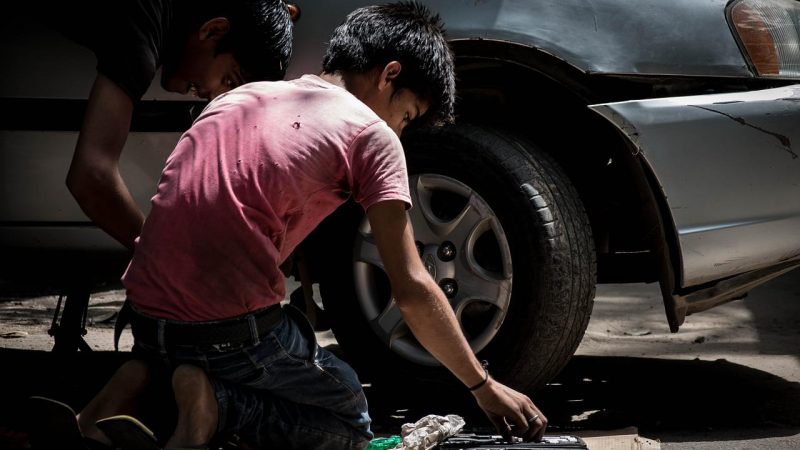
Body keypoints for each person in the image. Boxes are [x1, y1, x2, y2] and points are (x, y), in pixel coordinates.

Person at [72, 2, 548, 449]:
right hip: (223, 331)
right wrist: (483, 386)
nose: (400, 129)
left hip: (146, 317)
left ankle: (139, 379)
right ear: (389, 75)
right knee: (347, 417)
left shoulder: (243, 96)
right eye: (407, 115)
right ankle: (217, 408)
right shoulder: (372, 136)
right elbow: (412, 289)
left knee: (236, 343)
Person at [34, 0, 293, 250]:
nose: (214, 98)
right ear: (214, 30)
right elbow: (92, 177)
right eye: (228, 81)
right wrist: (168, 258)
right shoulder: (142, 26)